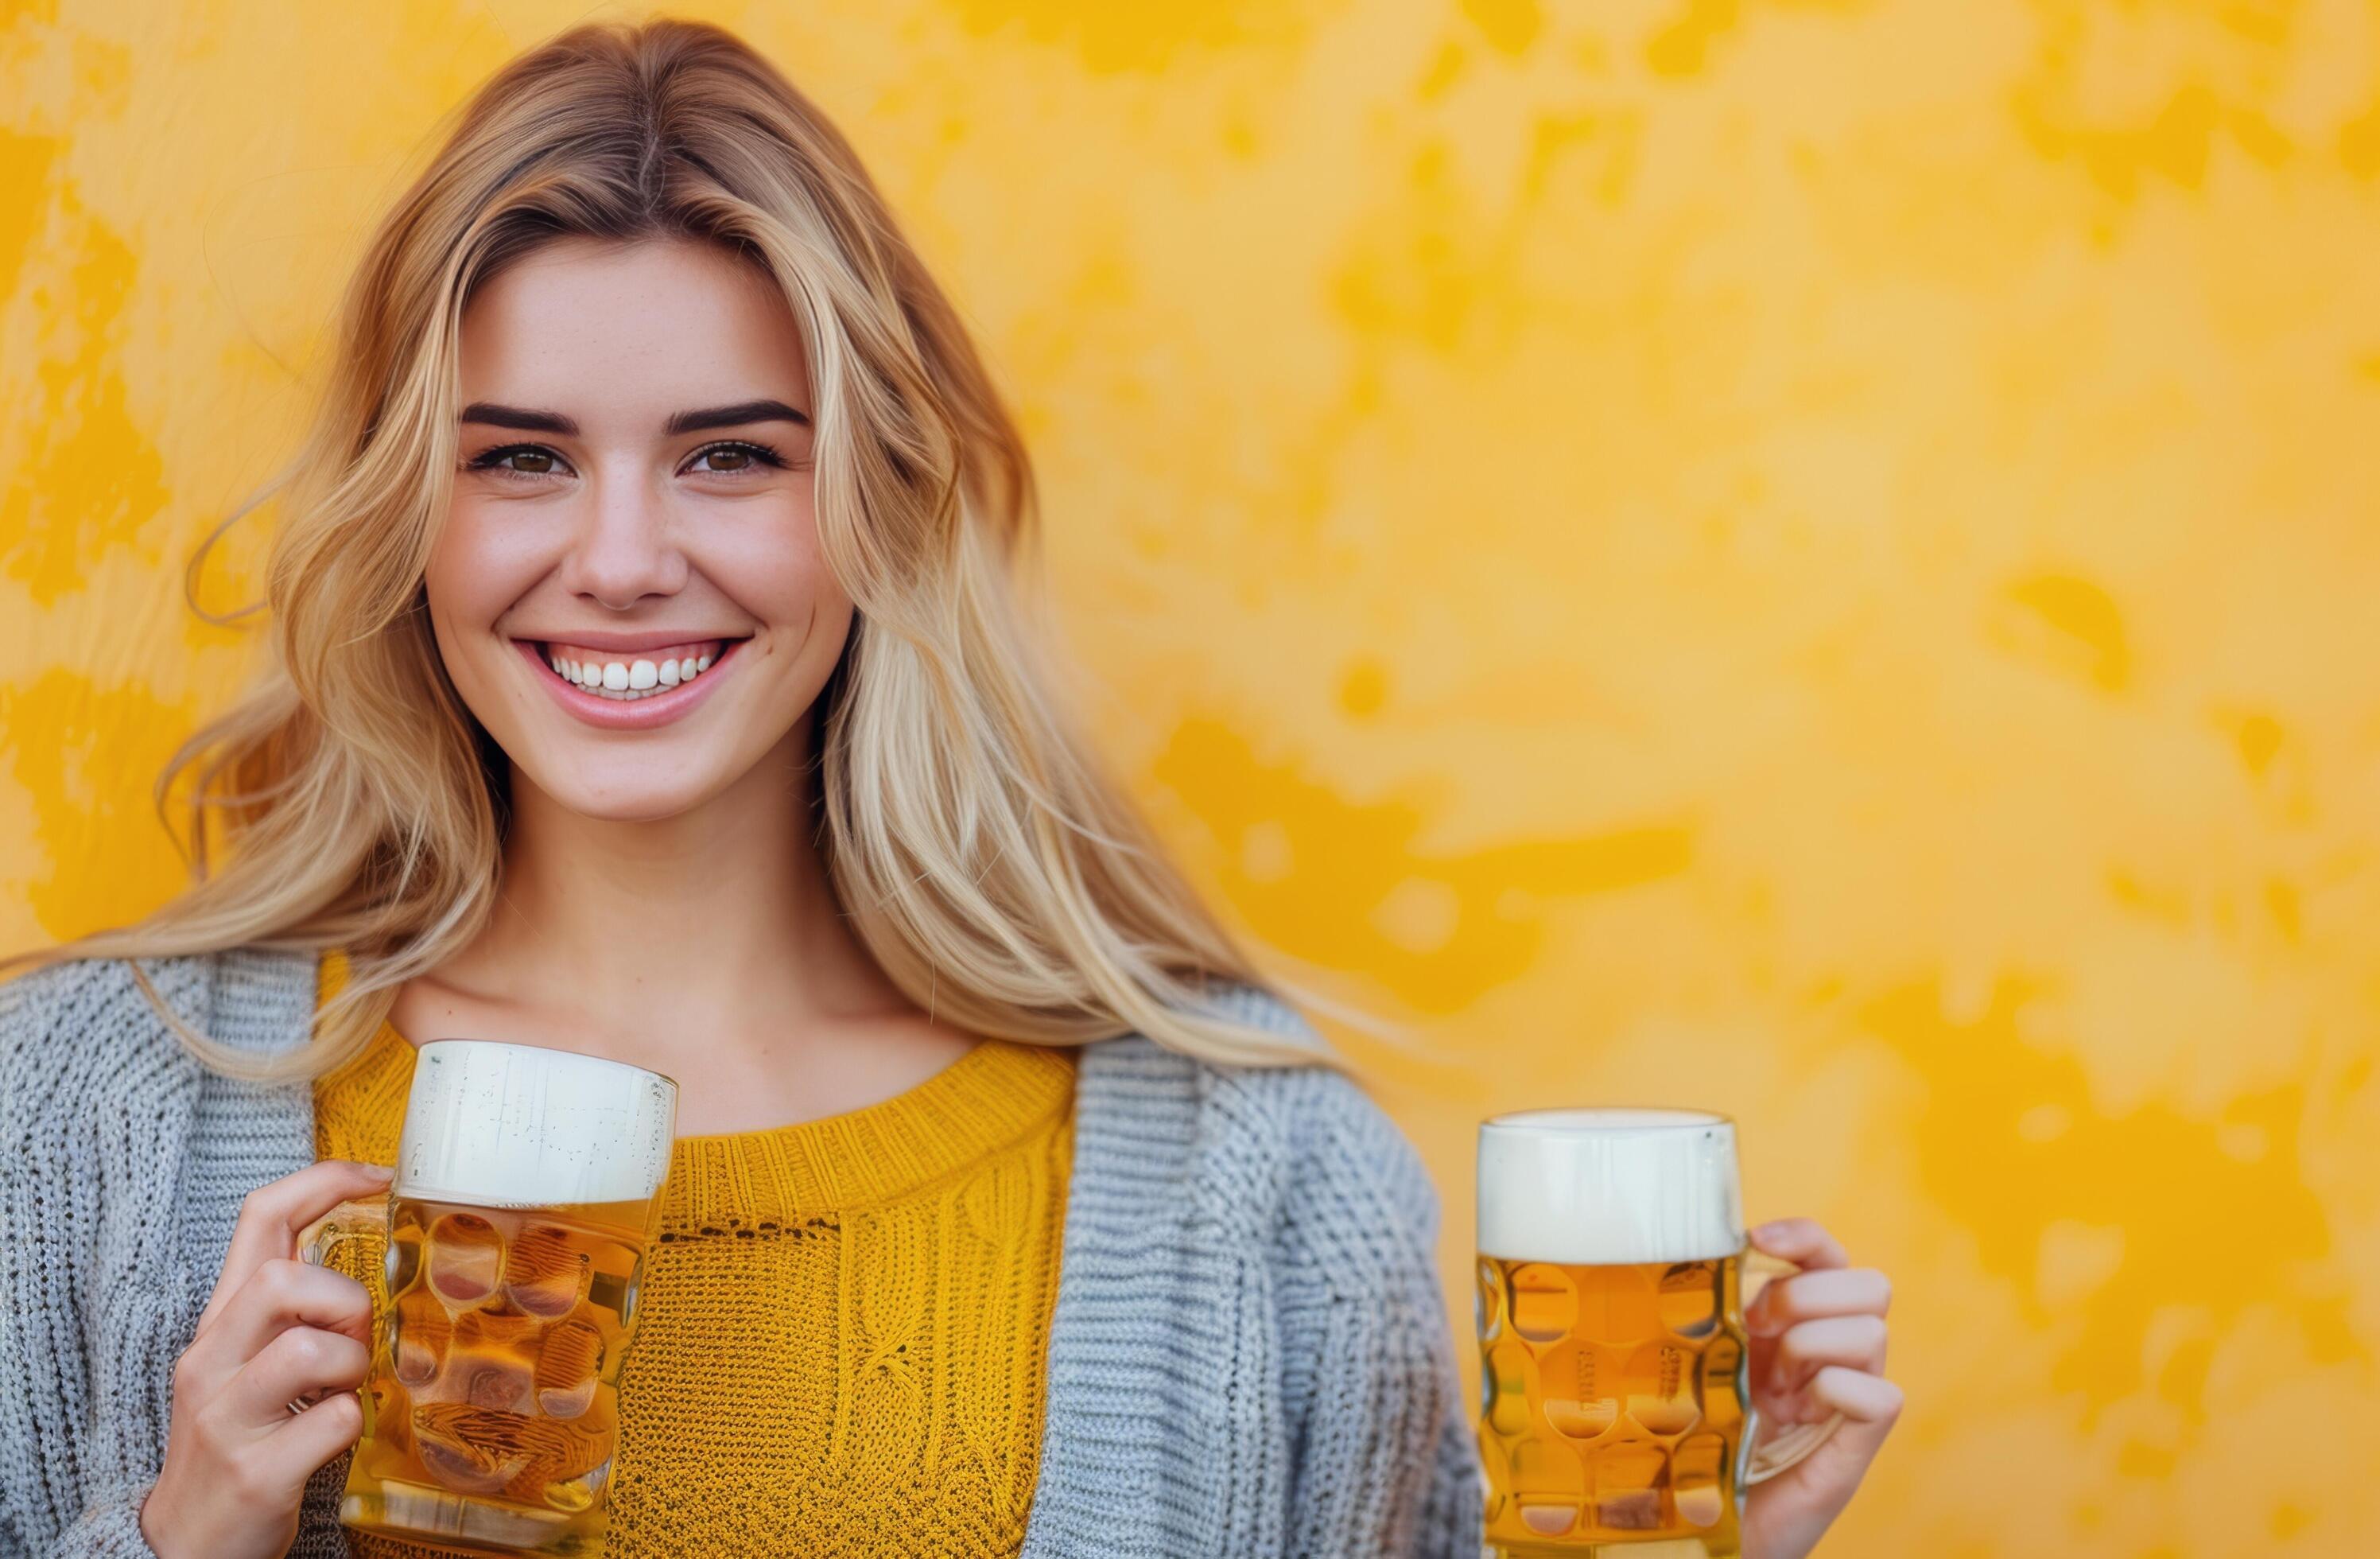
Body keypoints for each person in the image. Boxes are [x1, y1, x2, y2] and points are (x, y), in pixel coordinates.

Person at [0, 18, 1899, 1558]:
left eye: (733, 456)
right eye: (520, 460)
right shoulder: (90, 1117)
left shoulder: (1259, 1179)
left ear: (881, 501)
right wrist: (184, 1537)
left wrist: (1721, 1549)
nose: (625, 555)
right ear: (409, 511)